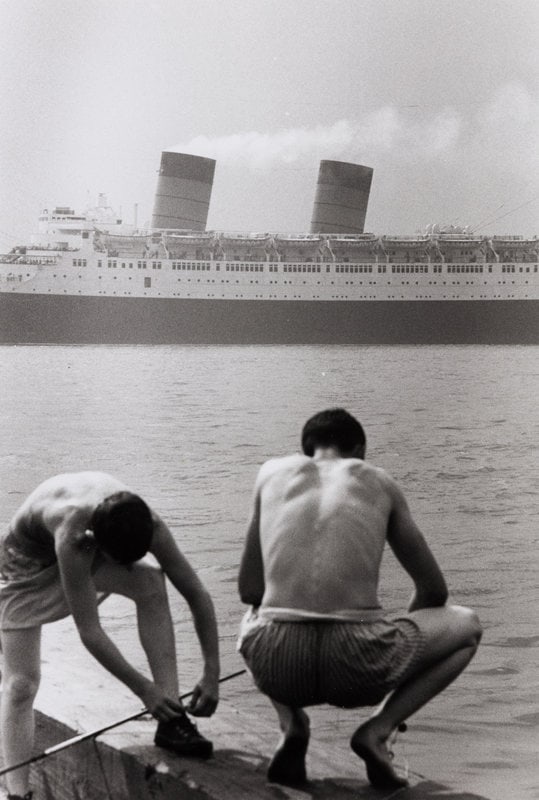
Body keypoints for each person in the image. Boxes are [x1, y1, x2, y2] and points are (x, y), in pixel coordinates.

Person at [238, 408, 482, 790]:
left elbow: (249, 591)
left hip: (278, 665)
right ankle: (377, 731)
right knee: (468, 626)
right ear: (360, 449)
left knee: (255, 613)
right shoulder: (379, 482)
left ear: (305, 449)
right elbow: (435, 591)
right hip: (359, 665)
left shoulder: (269, 474)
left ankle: (291, 726)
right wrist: (402, 640)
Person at [0, 471, 220, 800]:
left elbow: (196, 594)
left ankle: (172, 717)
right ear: (95, 540)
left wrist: (212, 671)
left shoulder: (151, 525)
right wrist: (143, 690)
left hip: (88, 549)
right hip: (23, 566)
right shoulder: (73, 531)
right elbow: (89, 629)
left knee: (150, 583)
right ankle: (17, 793)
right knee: (21, 684)